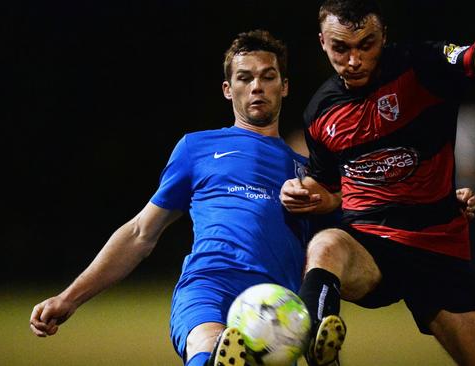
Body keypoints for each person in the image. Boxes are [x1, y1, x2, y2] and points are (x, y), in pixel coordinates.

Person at [29, 29, 310, 366]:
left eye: (268, 76)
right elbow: (140, 233)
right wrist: (69, 298)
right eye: (244, 78)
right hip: (209, 285)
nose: (256, 87)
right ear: (227, 89)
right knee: (210, 349)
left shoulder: (308, 171)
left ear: (285, 86)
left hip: (275, 306)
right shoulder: (197, 148)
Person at [279, 1, 475, 365]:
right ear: (322, 42)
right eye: (341, 48)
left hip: (437, 249)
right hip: (371, 244)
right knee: (327, 243)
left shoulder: (422, 66)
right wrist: (302, 192)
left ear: (384, 36)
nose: (354, 60)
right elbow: (331, 191)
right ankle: (315, 342)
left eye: (366, 44)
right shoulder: (320, 113)